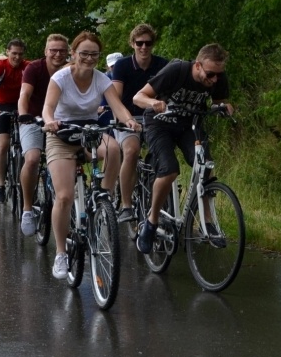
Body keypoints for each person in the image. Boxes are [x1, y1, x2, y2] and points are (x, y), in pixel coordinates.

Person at [42, 31, 139, 279]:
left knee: (114, 148)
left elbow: (117, 107)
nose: (89, 58)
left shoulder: (101, 79)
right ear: (74, 54)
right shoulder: (60, 78)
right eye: (84, 53)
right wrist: (50, 121)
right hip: (62, 134)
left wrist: (129, 121)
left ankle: (104, 197)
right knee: (64, 196)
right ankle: (61, 253)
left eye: (94, 54)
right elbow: (48, 108)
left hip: (89, 132)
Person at [132, 43, 233, 254]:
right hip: (160, 123)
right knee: (169, 170)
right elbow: (138, 97)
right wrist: (153, 103)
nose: (214, 79)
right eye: (210, 74)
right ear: (197, 65)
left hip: (189, 126)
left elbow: (219, 101)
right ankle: (151, 222)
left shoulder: (217, 77)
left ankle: (207, 222)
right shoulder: (176, 70)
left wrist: (225, 107)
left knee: (205, 167)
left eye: (218, 75)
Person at [111, 23, 169, 223]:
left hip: (155, 118)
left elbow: (168, 93)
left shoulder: (162, 64)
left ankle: (161, 203)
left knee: (164, 153)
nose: (144, 47)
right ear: (132, 44)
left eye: (148, 43)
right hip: (129, 117)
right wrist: (125, 119)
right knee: (131, 151)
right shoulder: (122, 66)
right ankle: (126, 206)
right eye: (139, 43)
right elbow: (116, 97)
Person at [16, 34, 69, 236]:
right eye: (53, 50)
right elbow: (24, 95)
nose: (58, 54)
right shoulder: (34, 69)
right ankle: (27, 208)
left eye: (62, 51)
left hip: (60, 122)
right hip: (34, 120)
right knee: (32, 159)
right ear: (46, 51)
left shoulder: (70, 70)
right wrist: (23, 115)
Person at [0, 39, 30, 204]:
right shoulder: (0, 66)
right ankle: (1, 185)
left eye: (20, 54)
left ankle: (27, 183)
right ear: (7, 52)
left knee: (27, 145)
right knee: (3, 144)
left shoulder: (27, 67)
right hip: (2, 106)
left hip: (22, 106)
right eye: (14, 53)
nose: (17, 57)